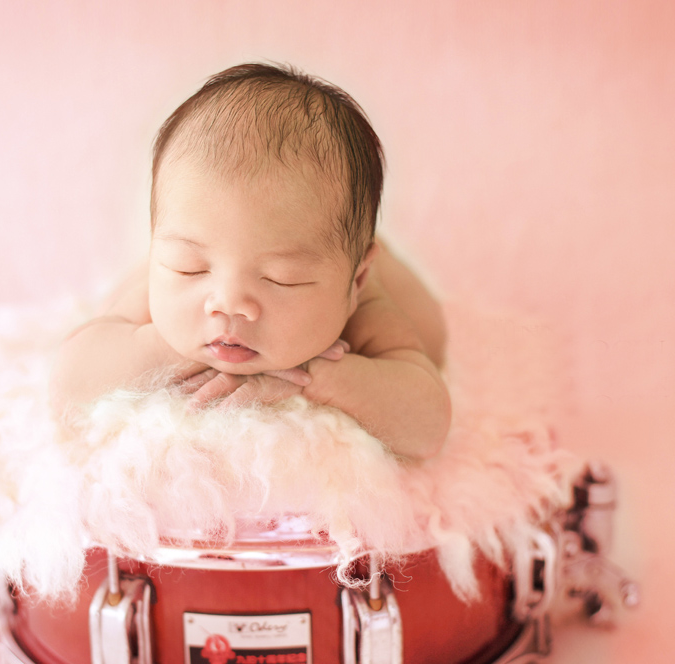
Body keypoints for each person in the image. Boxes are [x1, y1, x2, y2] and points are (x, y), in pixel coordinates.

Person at [50, 63, 451, 460]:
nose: (227, 303)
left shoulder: (365, 301)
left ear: (356, 281)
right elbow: (69, 383)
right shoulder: (163, 291)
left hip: (373, 274)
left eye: (282, 278)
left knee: (431, 331)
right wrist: (167, 348)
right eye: (190, 267)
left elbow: (427, 427)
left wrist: (316, 375)